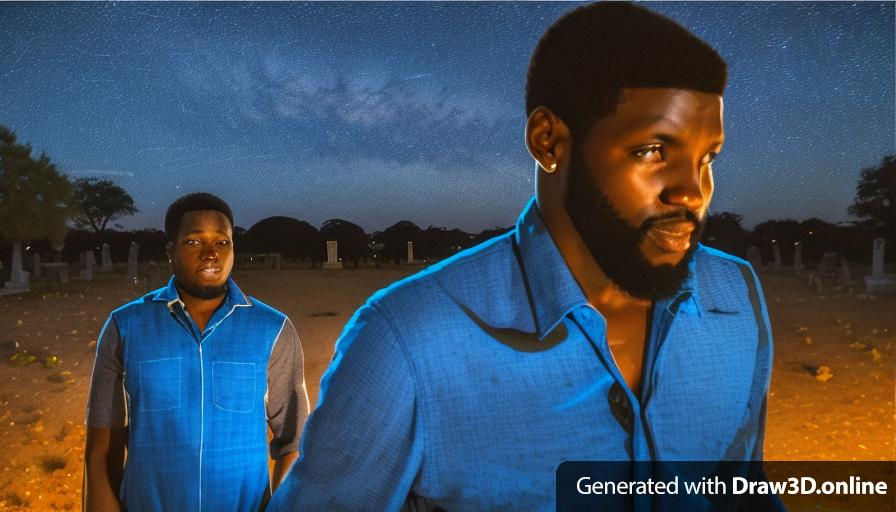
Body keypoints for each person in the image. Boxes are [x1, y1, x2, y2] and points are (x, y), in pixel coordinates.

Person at [269, 3, 777, 510]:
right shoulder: (407, 337)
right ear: (548, 140)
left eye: (707, 158)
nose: (692, 192)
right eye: (652, 151)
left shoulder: (736, 294)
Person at [83, 193, 309, 512]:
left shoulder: (273, 330)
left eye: (222, 242)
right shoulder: (125, 327)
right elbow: (101, 453)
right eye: (193, 242)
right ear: (170, 251)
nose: (210, 254)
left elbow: (296, 444)